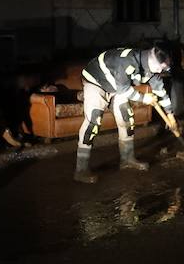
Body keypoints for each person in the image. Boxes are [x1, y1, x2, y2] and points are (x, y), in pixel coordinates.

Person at [74, 44, 174, 184]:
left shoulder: (153, 70)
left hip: (116, 86)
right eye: (160, 67)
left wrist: (170, 114)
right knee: (93, 121)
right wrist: (144, 98)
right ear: (151, 60)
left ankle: (127, 159)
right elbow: (124, 90)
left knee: (126, 118)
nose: (160, 70)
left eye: (163, 68)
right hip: (96, 82)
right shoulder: (127, 60)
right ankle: (81, 170)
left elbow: (160, 91)